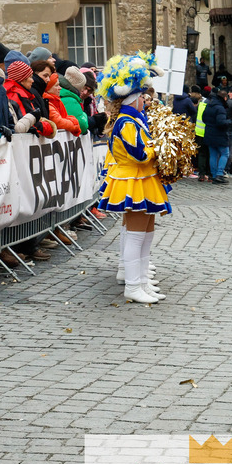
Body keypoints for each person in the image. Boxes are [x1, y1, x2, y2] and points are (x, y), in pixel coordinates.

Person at [97, 55, 170, 304]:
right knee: (137, 233)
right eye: (141, 96)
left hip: (140, 179)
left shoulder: (132, 119)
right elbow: (139, 154)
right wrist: (158, 148)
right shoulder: (126, 122)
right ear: (132, 98)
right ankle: (133, 284)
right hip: (132, 180)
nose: (144, 100)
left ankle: (141, 281)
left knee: (145, 231)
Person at [202, 85, 232, 184]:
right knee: (225, 153)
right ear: (225, 98)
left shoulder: (209, 105)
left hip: (209, 133)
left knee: (213, 155)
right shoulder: (220, 108)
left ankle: (214, 175)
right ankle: (219, 174)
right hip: (219, 134)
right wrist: (229, 122)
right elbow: (221, 122)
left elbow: (203, 119)